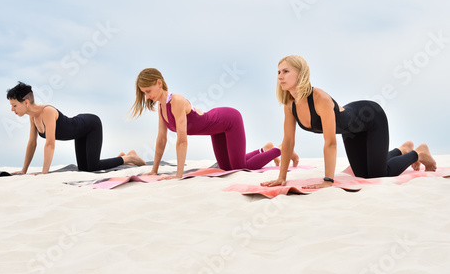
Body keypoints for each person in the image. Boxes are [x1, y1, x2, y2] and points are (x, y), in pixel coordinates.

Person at [262, 55, 437, 189]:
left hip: (371, 118)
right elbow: (288, 141)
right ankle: (401, 150)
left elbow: (330, 142)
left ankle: (418, 153)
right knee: (362, 174)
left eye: (286, 71)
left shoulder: (319, 98)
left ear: (300, 74)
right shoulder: (290, 105)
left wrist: (328, 181)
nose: (280, 76)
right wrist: (281, 177)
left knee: (378, 174)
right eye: (278, 72)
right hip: (350, 131)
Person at [129, 68, 282, 179]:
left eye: (148, 91)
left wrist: (178, 175)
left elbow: (182, 141)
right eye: (144, 93)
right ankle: (264, 149)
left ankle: (279, 149)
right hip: (216, 130)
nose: (147, 96)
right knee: (226, 168)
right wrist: (154, 170)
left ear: (159, 83)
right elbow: (161, 139)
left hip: (229, 120)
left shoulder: (177, 101)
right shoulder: (161, 107)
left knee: (239, 168)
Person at [7, 82, 145, 174]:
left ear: (25, 102)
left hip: (91, 125)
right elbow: (32, 143)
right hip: (79, 133)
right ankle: (121, 157)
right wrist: (24, 170)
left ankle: (129, 158)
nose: (12, 109)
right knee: (84, 169)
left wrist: (44, 173)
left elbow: (50, 144)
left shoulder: (47, 112)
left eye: (14, 105)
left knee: (93, 167)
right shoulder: (32, 117)